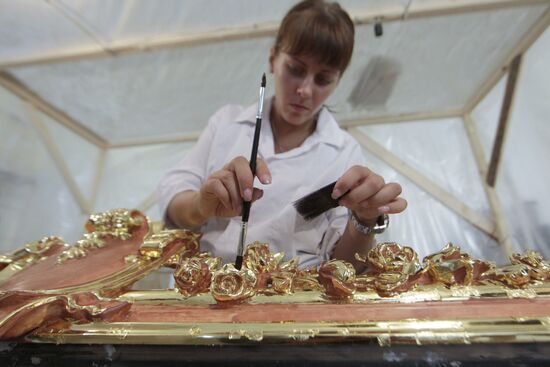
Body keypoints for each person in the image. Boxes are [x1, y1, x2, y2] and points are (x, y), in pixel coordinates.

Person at [157, 0, 406, 271]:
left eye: (322, 79)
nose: (305, 91)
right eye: (296, 70)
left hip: (293, 300)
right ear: (273, 58)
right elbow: (173, 202)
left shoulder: (344, 152)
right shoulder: (227, 123)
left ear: (338, 81)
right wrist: (200, 206)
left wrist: (364, 220)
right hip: (210, 289)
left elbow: (345, 267)